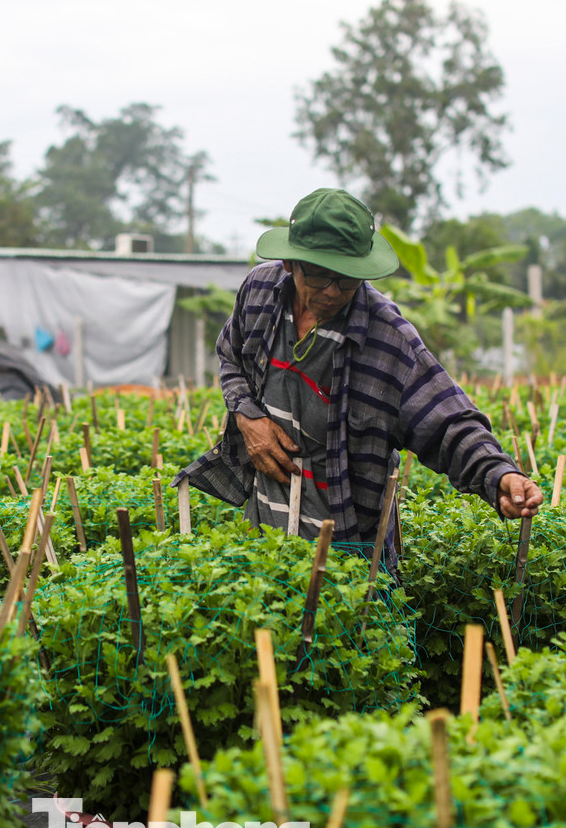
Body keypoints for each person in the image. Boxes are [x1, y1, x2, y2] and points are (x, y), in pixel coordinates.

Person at [175, 188, 542, 568]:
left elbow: (448, 422)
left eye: (347, 279)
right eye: (319, 277)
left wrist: (498, 474)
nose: (333, 292)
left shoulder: (388, 339)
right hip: (263, 538)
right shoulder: (259, 293)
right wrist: (248, 417)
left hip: (344, 552)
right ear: (289, 263)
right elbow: (230, 355)